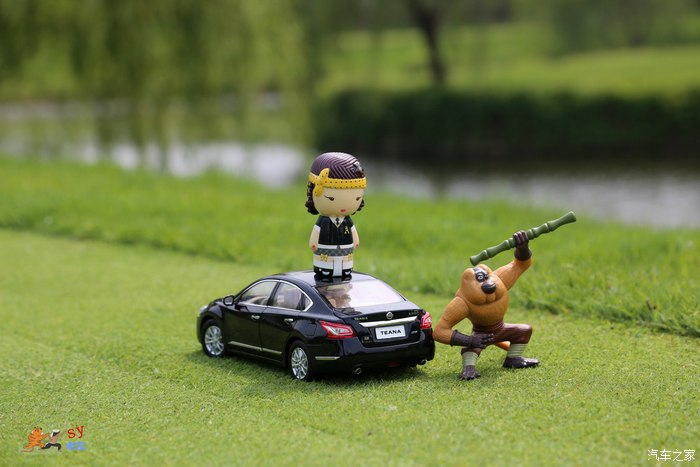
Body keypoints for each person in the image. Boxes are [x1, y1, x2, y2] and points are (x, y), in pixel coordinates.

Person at [306, 152, 366, 280]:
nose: (343, 206)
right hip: (325, 249)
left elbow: (353, 231)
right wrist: (313, 242)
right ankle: (325, 271)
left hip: (345, 250)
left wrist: (355, 240)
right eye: (331, 198)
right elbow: (316, 231)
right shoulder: (323, 221)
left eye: (357, 198)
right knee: (326, 266)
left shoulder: (347, 221)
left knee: (345, 265)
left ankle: (345, 270)